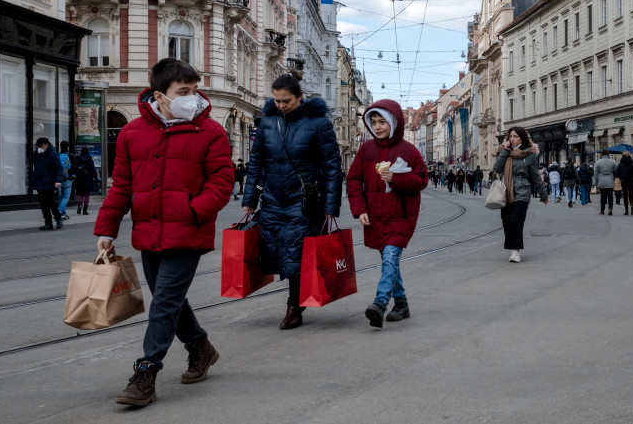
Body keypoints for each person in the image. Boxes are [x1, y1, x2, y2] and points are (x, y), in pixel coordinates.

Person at [95, 57, 234, 407]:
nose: (192, 97)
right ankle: (200, 347)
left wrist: (195, 210)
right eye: (183, 92)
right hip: (149, 231)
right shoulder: (131, 133)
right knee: (169, 301)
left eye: (194, 90)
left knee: (165, 303)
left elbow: (222, 179)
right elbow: (121, 186)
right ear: (160, 96)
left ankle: (146, 371)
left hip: (188, 231)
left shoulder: (211, 131)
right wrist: (107, 229)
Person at [242, 71, 343, 331]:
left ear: (300, 97)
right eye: (276, 101)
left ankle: (294, 306)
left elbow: (332, 167)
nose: (281, 105)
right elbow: (256, 163)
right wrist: (250, 199)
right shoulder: (267, 123)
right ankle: (296, 301)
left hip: (304, 201)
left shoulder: (319, 124)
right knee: (275, 251)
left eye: (286, 100)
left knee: (295, 254)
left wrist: (331, 207)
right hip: (273, 198)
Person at [346, 100, 428, 328]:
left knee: (390, 257)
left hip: (401, 216)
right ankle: (401, 304)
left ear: (394, 122)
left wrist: (396, 178)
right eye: (373, 122)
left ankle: (380, 303)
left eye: (382, 121)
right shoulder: (366, 150)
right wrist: (359, 209)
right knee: (389, 261)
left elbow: (422, 180)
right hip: (375, 215)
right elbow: (353, 180)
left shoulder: (409, 151)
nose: (378, 126)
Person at [493, 127, 549, 262]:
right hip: (506, 193)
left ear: (522, 138)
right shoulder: (504, 151)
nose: (512, 139)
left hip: (522, 193)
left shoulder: (530, 155)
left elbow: (535, 176)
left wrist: (543, 194)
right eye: (510, 136)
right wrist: (505, 150)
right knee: (506, 223)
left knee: (515, 222)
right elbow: (496, 168)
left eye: (515, 136)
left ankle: (516, 252)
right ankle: (513, 247)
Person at [33, 137, 64, 230]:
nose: (39, 148)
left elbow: (59, 167)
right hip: (40, 181)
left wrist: (58, 181)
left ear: (46, 145)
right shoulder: (37, 153)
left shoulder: (53, 154)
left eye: (40, 146)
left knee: (50, 201)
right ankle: (48, 223)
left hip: (50, 181)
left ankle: (58, 218)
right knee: (43, 203)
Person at [75, 146, 98, 215]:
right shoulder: (90, 159)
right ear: (87, 151)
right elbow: (93, 170)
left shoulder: (78, 159)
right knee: (87, 195)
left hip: (80, 178)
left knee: (81, 193)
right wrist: (96, 179)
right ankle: (85, 210)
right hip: (88, 178)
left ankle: (79, 204)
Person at [593, 149, 617, 216]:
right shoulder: (613, 162)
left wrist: (596, 182)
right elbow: (616, 171)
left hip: (601, 181)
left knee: (603, 196)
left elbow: (595, 174)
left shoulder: (598, 162)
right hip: (610, 181)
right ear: (608, 154)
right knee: (610, 196)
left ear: (602, 154)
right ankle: (610, 209)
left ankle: (602, 210)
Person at [57, 140, 76, 221]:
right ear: (68, 147)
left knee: (60, 196)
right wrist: (73, 177)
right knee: (66, 197)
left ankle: (63, 214)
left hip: (58, 179)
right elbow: (74, 167)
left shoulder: (57, 155)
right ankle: (59, 211)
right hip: (67, 179)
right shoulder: (71, 155)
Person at [615, 151, 633, 216]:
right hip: (631, 181)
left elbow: (617, 174)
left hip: (624, 181)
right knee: (631, 195)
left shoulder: (620, 164)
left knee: (625, 195)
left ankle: (626, 210)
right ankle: (632, 207)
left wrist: (620, 176)